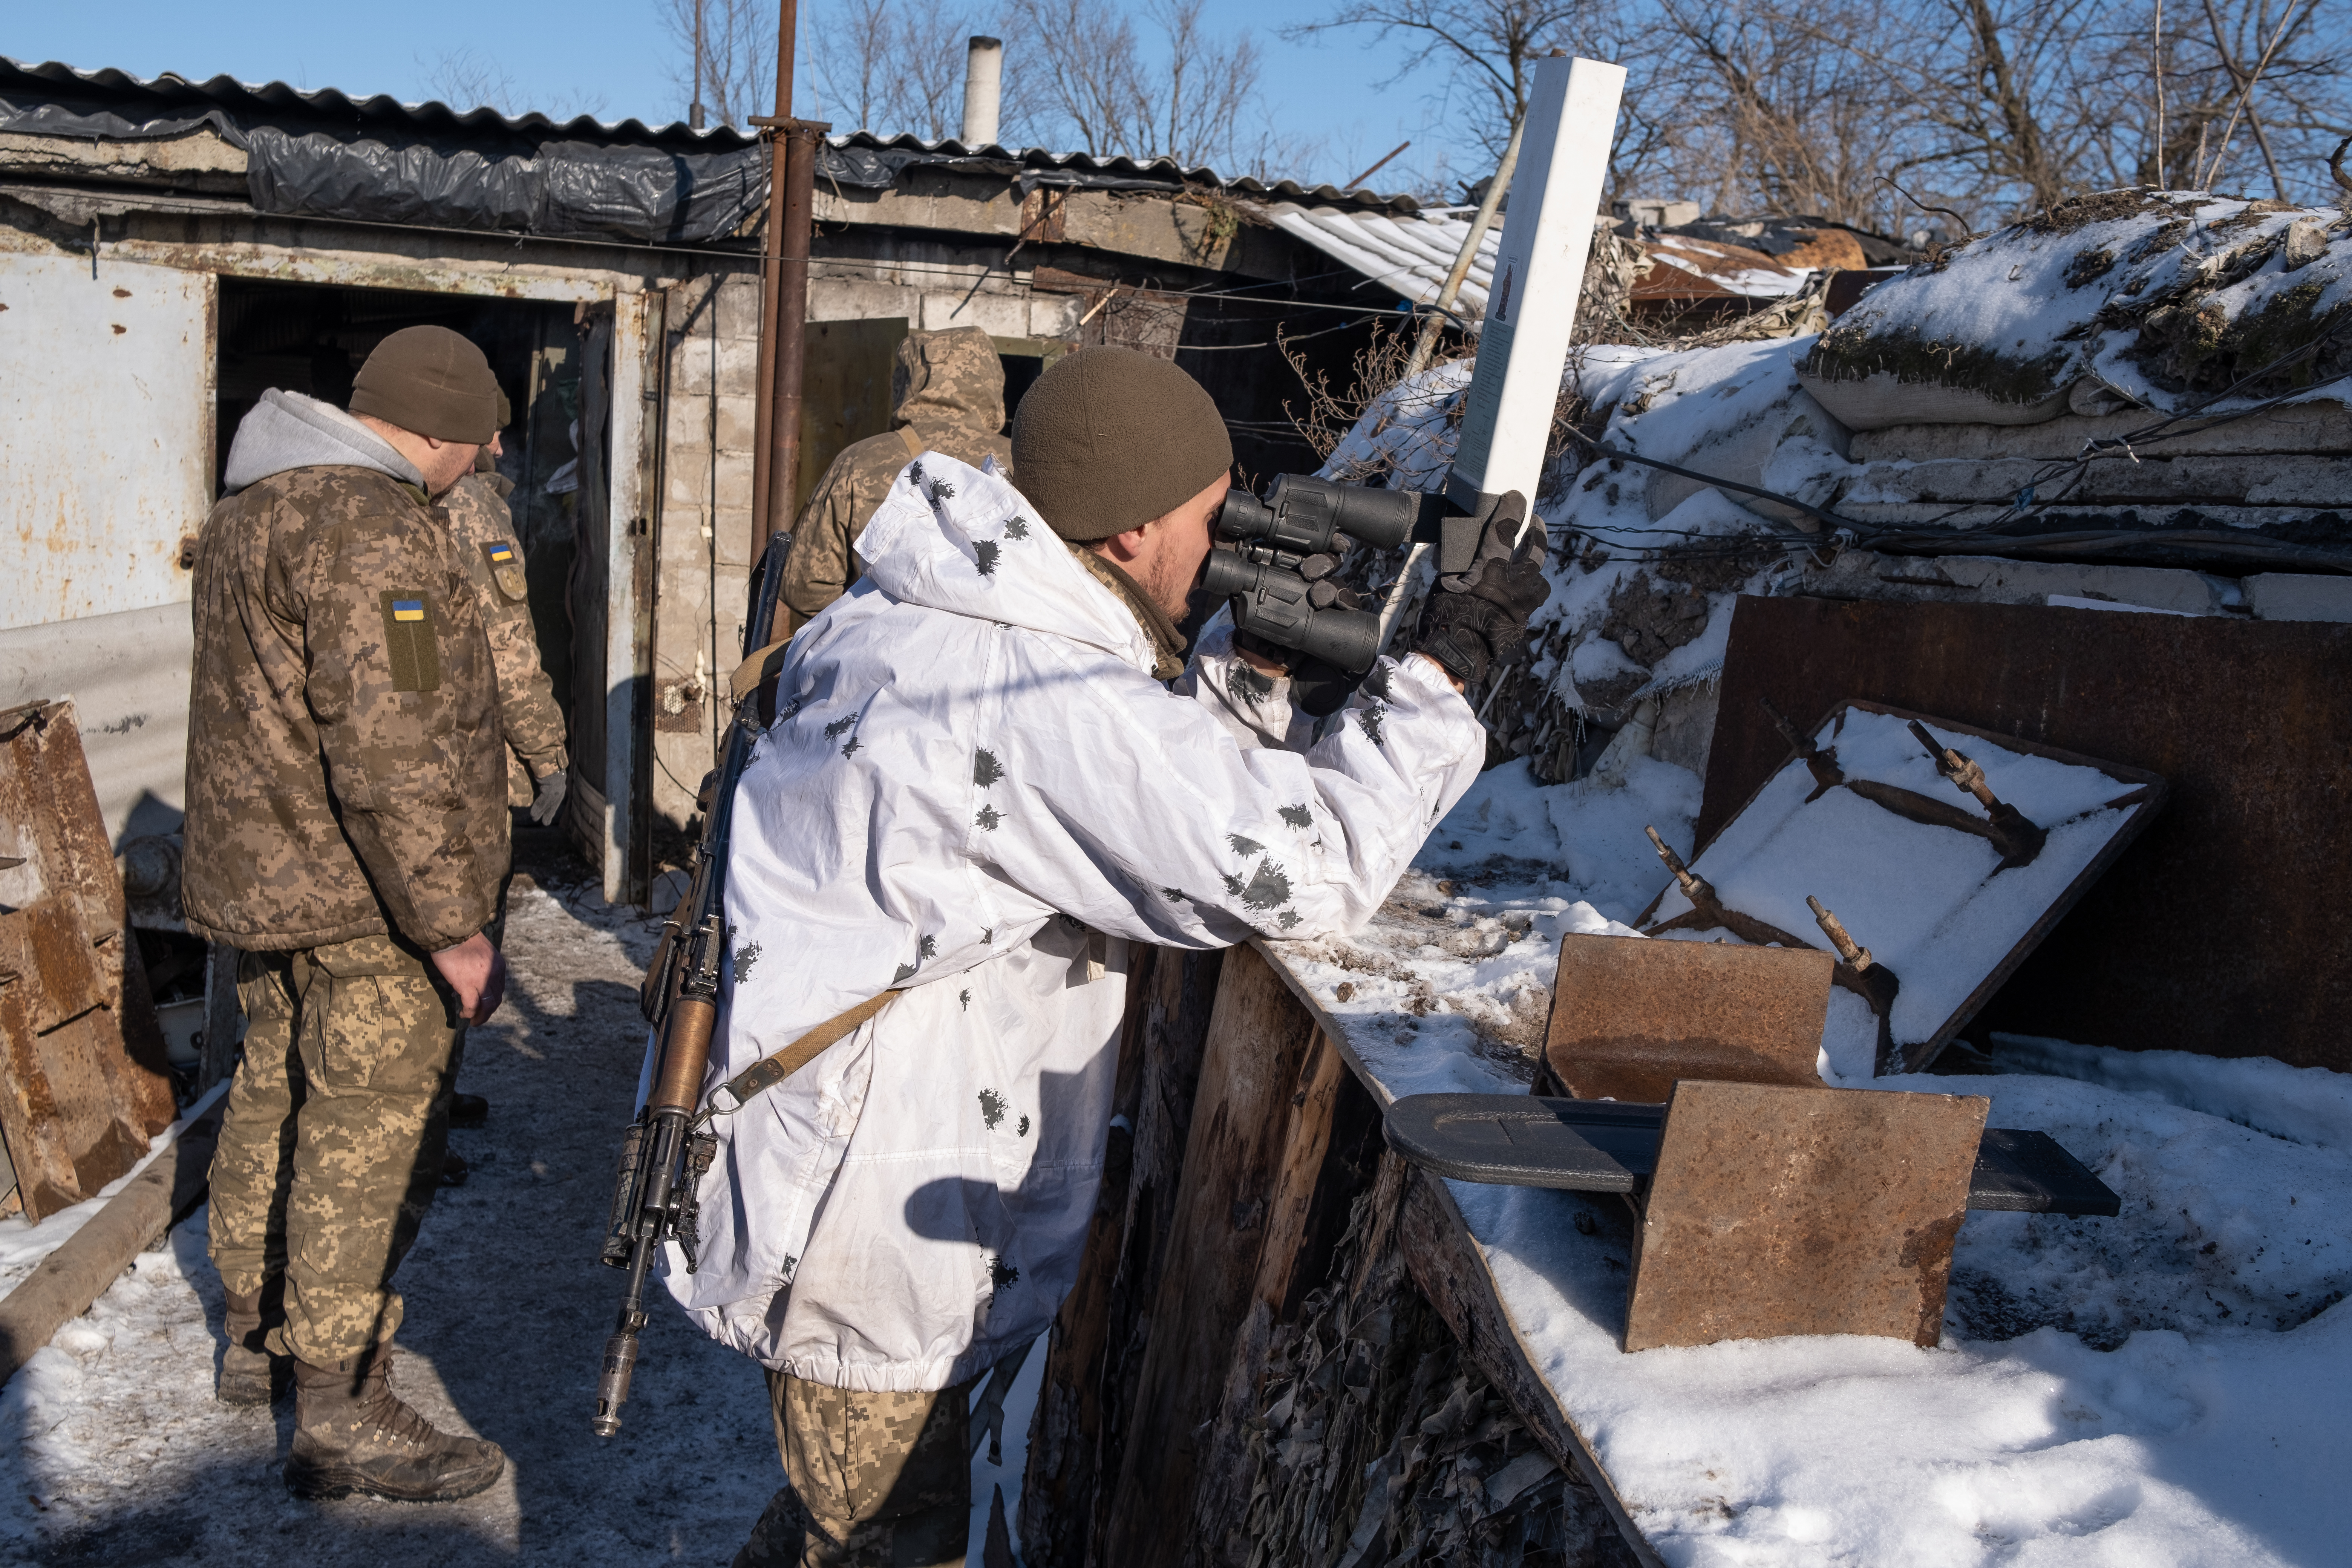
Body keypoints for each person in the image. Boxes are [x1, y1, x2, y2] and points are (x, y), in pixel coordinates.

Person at [669, 346, 1547, 1566]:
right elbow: (1299, 869)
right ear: (1132, 531)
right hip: (866, 1230)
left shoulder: (929, 612)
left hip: (848, 1169)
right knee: (884, 1543)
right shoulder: (1019, 686)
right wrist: (1450, 672)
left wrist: (1254, 669)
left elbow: (1128, 812)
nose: (1225, 538)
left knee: (849, 1523)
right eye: (1212, 514)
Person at [184, 325, 511, 1503]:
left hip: (267, 889)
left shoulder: (249, 514)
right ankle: (340, 1408)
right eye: (473, 446)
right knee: (366, 1138)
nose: (473, 469)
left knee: (272, 1097)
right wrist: (451, 923)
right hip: (364, 901)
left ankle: (252, 1331)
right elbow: (401, 741)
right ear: (436, 426)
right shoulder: (377, 534)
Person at [436, 390, 570, 1141]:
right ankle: (417, 1122)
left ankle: (429, 1102)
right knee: (460, 929)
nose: (499, 438)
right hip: (465, 762)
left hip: (420, 756)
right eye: (493, 425)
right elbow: (509, 650)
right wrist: (548, 753)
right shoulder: (473, 510)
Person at [776, 325, 1010, 632]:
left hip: (875, 663)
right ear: (991, 381)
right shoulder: (1027, 465)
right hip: (996, 671)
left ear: (906, 381)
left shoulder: (859, 461)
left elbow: (802, 586)